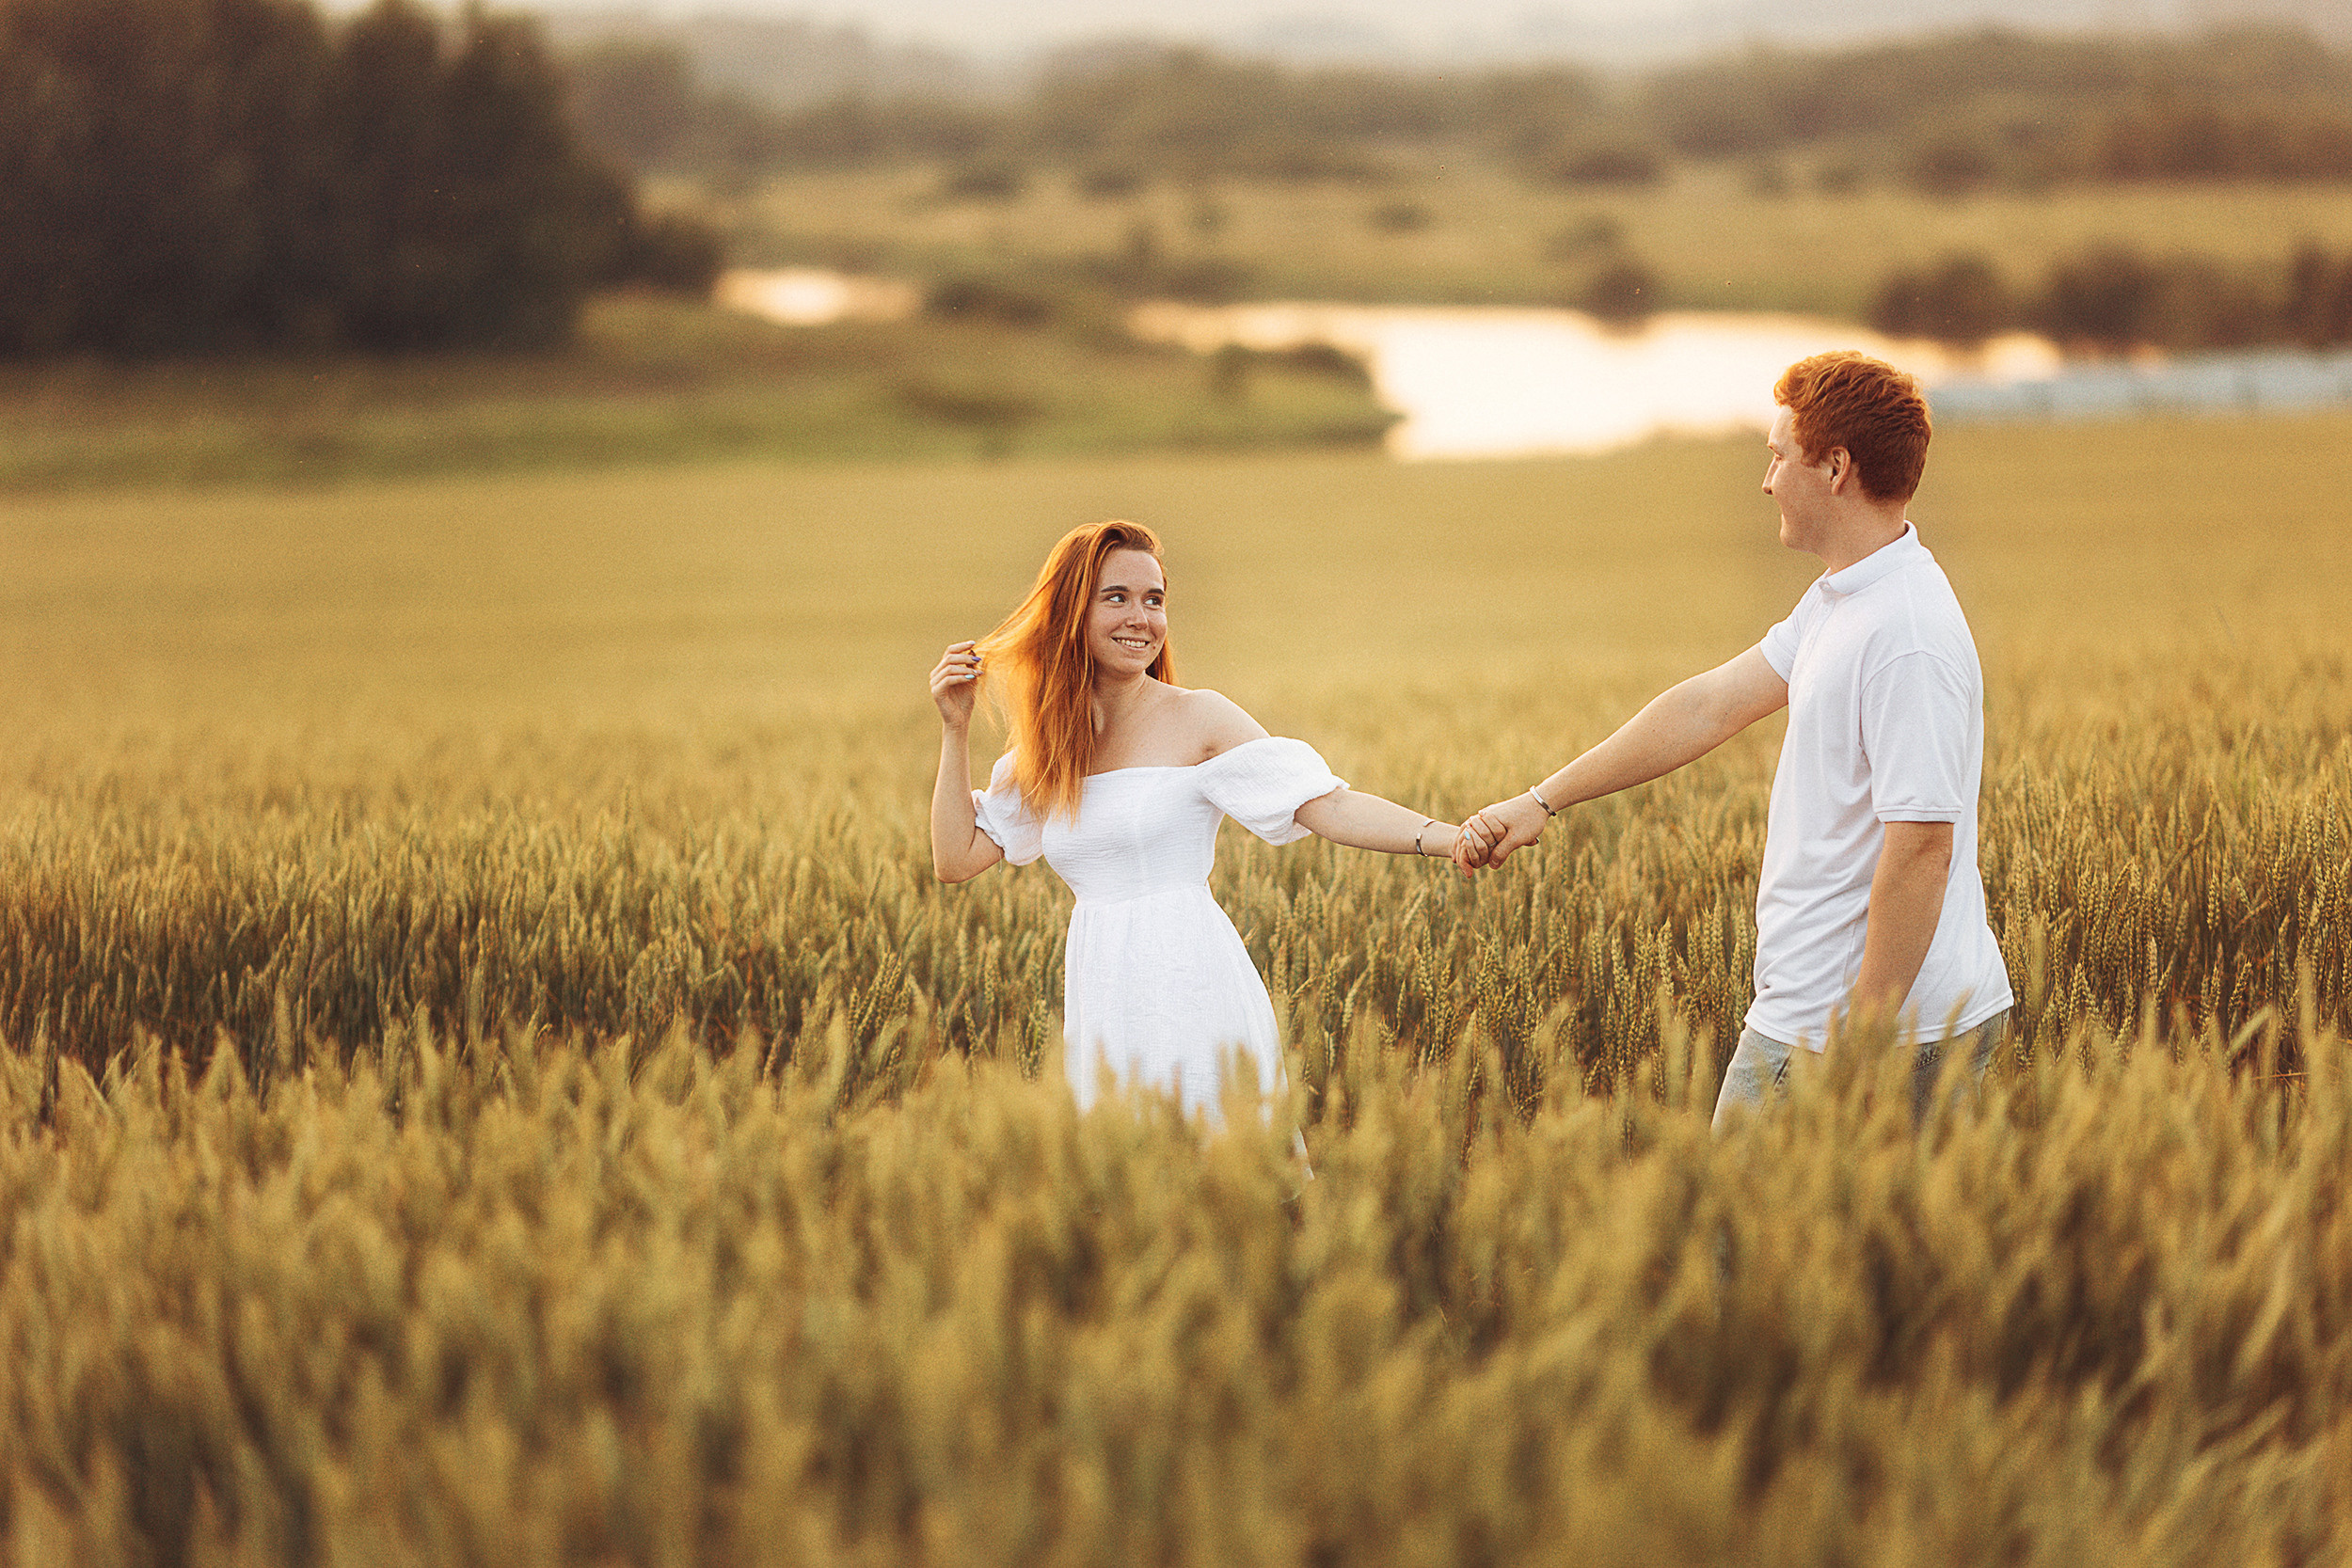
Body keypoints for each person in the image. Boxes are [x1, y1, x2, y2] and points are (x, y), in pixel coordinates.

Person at [1456, 351, 2013, 1129]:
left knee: (1731, 1247)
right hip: (1837, 1017)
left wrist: (1859, 1042)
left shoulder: (1905, 633)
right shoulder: (1844, 597)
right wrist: (1543, 799)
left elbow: (1922, 847)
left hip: (1856, 1029)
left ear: (1837, 467)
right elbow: (1709, 706)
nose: (1766, 479)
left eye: (1778, 455)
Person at [930, 518, 1467, 1123]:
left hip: (1192, 979)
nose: (1143, 618)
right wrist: (956, 728)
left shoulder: (1199, 718)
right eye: (1117, 598)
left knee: (1221, 1170)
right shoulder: (1047, 753)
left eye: (1154, 600)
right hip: (1104, 993)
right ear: (1069, 613)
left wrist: (1447, 839)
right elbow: (955, 859)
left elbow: (1328, 804)